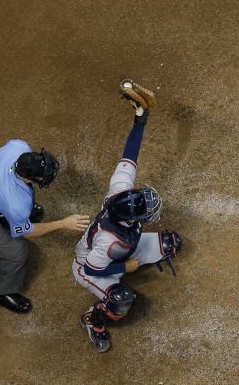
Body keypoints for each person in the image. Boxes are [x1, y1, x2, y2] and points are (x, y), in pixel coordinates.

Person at [73, 80, 183, 353]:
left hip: (126, 250)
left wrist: (140, 121)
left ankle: (130, 268)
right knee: (121, 299)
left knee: (172, 243)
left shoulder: (119, 194)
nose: (150, 205)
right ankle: (93, 320)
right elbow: (90, 268)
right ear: (132, 219)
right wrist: (125, 268)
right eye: (146, 209)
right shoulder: (109, 241)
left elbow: (129, 155)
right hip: (92, 267)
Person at [0, 141, 90, 314]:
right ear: (28, 178)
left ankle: (13, 217)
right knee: (17, 250)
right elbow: (28, 232)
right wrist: (63, 223)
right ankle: (0, 293)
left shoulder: (18, 146)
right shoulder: (16, 202)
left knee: (22, 208)